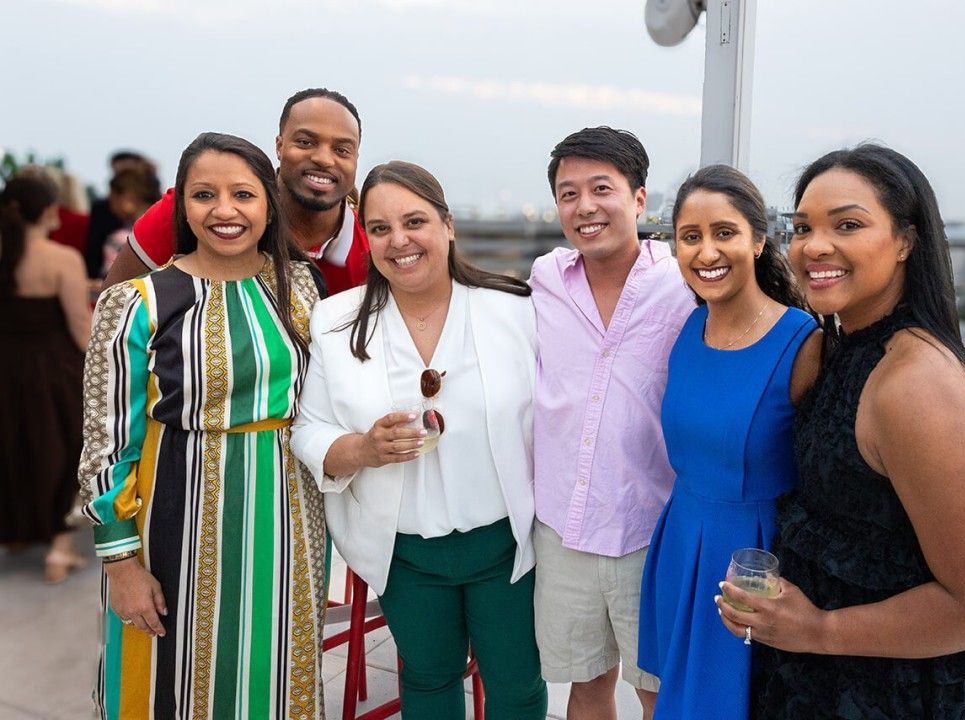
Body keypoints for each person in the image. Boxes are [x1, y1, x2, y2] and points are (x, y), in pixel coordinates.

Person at [717, 144, 965, 718]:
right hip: (829, 678)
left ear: (906, 240)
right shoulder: (843, 348)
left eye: (849, 225)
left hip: (896, 692)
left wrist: (819, 629)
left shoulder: (914, 383)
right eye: (803, 226)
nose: (814, 246)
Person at [79, 133, 327, 719]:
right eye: (204, 194)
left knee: (276, 684)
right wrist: (119, 562)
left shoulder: (299, 288)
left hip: (290, 528)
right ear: (181, 206)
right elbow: (106, 439)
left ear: (268, 202)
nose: (224, 211)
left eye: (242, 194)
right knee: (169, 688)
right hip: (172, 534)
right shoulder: (136, 303)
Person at [292, 161, 547, 719]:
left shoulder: (517, 309)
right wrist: (363, 449)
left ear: (448, 225)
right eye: (380, 229)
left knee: (518, 684)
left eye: (415, 221)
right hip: (402, 550)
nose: (399, 241)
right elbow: (308, 429)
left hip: (504, 545)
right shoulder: (335, 322)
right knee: (428, 680)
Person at [637, 165, 820, 718]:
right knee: (667, 696)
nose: (706, 251)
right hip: (678, 541)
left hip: (751, 560)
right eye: (690, 237)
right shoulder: (690, 330)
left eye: (725, 232)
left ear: (759, 240)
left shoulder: (802, 342)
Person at [529, 126, 696, 720]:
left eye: (602, 188)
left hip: (648, 529)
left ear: (640, 197)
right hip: (563, 530)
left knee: (657, 690)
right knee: (585, 684)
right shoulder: (544, 279)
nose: (585, 207)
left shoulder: (682, 287)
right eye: (568, 193)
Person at [103, 88, 369, 296]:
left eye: (342, 149)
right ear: (279, 145)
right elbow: (111, 314)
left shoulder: (374, 245)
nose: (323, 158)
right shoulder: (193, 211)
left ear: (356, 158)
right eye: (305, 142)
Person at [0, 173, 91, 583]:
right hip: (52, 373)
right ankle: (58, 546)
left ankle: (17, 533)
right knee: (62, 452)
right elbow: (82, 331)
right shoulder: (61, 259)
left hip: (7, 368)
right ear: (49, 209)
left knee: (13, 449)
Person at [84, 154, 160, 277]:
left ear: (127, 198)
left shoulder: (121, 239)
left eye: (112, 199)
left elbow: (111, 283)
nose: (110, 207)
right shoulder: (166, 232)